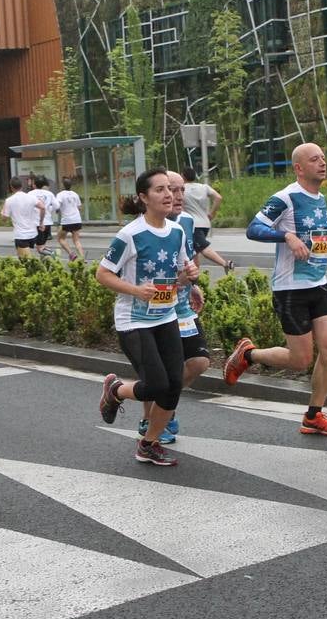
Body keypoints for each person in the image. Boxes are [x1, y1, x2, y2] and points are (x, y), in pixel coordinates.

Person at [224, 143, 327, 436]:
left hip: (317, 284)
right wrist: (287, 237)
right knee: (301, 360)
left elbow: (312, 238)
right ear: (299, 167)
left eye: (323, 157)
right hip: (290, 289)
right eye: (314, 159)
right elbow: (253, 229)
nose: (322, 162)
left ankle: (313, 415)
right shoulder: (285, 197)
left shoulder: (321, 198)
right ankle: (248, 355)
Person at [95, 168, 199, 467]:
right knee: (155, 385)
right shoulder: (130, 235)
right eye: (160, 190)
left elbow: (178, 276)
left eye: (170, 189)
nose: (168, 195)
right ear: (143, 197)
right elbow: (102, 274)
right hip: (134, 320)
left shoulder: (177, 231)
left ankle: (148, 444)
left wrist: (188, 276)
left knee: (173, 385)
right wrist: (135, 290)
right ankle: (116, 390)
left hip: (165, 317)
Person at [136, 170, 212, 445]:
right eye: (169, 189)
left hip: (182, 308)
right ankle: (152, 419)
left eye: (180, 190)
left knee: (199, 362)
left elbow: (187, 261)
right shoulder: (141, 228)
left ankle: (163, 409)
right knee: (156, 373)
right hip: (153, 310)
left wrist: (192, 285)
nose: (177, 196)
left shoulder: (187, 222)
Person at [181, 168, 234, 271]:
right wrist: (212, 213)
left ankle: (225, 263)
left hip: (192, 225)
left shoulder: (182, 189)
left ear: (183, 176)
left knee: (202, 247)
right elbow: (218, 198)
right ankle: (194, 279)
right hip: (205, 223)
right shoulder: (204, 187)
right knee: (193, 252)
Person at [1, 176, 45, 260]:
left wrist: (2, 212)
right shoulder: (30, 197)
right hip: (33, 234)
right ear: (21, 186)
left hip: (21, 235)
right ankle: (49, 256)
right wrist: (41, 222)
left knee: (26, 263)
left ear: (11, 187)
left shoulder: (9, 200)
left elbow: (4, 219)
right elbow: (43, 207)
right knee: (25, 260)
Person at [55, 177, 85, 261]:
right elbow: (79, 207)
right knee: (76, 240)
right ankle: (82, 257)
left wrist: (58, 210)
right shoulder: (75, 194)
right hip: (77, 219)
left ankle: (71, 254)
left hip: (67, 220)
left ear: (63, 185)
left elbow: (57, 205)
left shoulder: (60, 194)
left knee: (60, 238)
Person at [28, 175, 57, 257]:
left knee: (39, 248)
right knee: (42, 246)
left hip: (37, 223)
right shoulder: (49, 194)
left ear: (34, 185)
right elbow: (57, 205)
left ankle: (53, 254)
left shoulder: (30, 194)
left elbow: (27, 206)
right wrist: (50, 210)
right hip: (48, 223)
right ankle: (46, 265)